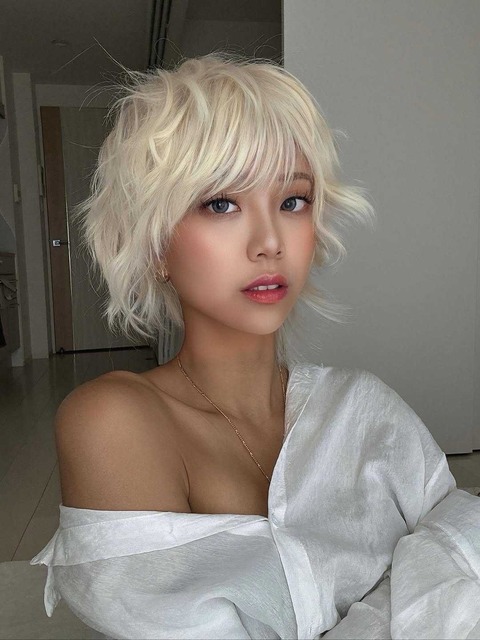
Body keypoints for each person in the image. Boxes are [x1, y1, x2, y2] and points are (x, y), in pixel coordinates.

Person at [31, 52, 480, 639]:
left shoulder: (364, 408)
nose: (269, 241)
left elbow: (462, 542)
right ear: (155, 243)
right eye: (221, 204)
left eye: (293, 201)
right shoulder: (114, 422)